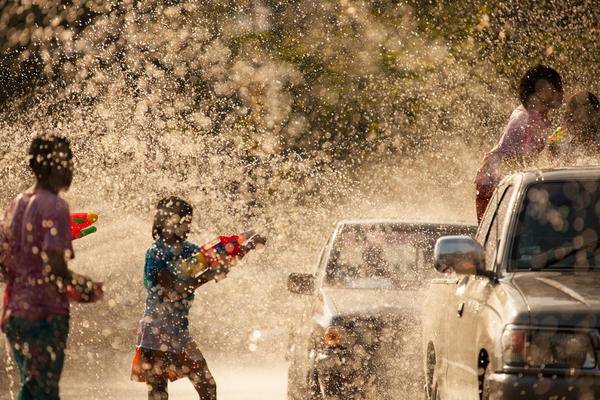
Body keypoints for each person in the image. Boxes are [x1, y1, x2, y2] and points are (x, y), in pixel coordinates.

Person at [131, 196, 266, 400]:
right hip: (156, 332)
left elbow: (219, 256)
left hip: (178, 330)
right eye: (186, 223)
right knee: (160, 394)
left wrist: (247, 246)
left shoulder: (188, 249)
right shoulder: (156, 252)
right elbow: (172, 292)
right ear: (170, 222)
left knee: (207, 387)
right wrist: (209, 276)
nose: (189, 228)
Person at [0, 134, 103, 400]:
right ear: (46, 166)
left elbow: (3, 267)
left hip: (15, 316)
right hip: (44, 315)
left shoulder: (15, 205)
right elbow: (55, 267)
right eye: (65, 160)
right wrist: (86, 286)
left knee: (33, 386)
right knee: (43, 391)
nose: (71, 167)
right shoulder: (56, 206)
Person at [475, 64, 564, 222]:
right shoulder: (526, 118)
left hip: (496, 184)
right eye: (556, 87)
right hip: (493, 187)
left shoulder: (533, 114)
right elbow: (520, 161)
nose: (561, 92)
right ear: (541, 91)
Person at [548, 91, 600, 157]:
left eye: (571, 115)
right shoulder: (564, 148)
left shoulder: (597, 146)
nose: (568, 120)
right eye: (567, 114)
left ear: (592, 117)